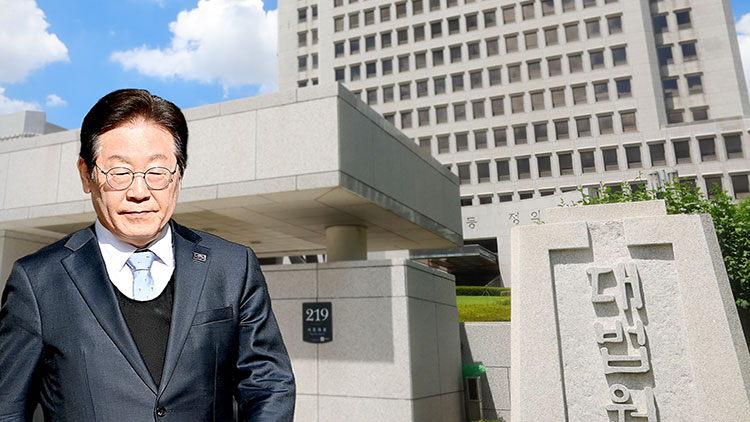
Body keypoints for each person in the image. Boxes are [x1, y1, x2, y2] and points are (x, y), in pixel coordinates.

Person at [0, 89, 295, 421]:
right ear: (86, 175)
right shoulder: (38, 281)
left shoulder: (232, 267)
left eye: (156, 172)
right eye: (119, 172)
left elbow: (269, 385)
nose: (139, 192)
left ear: (179, 175)